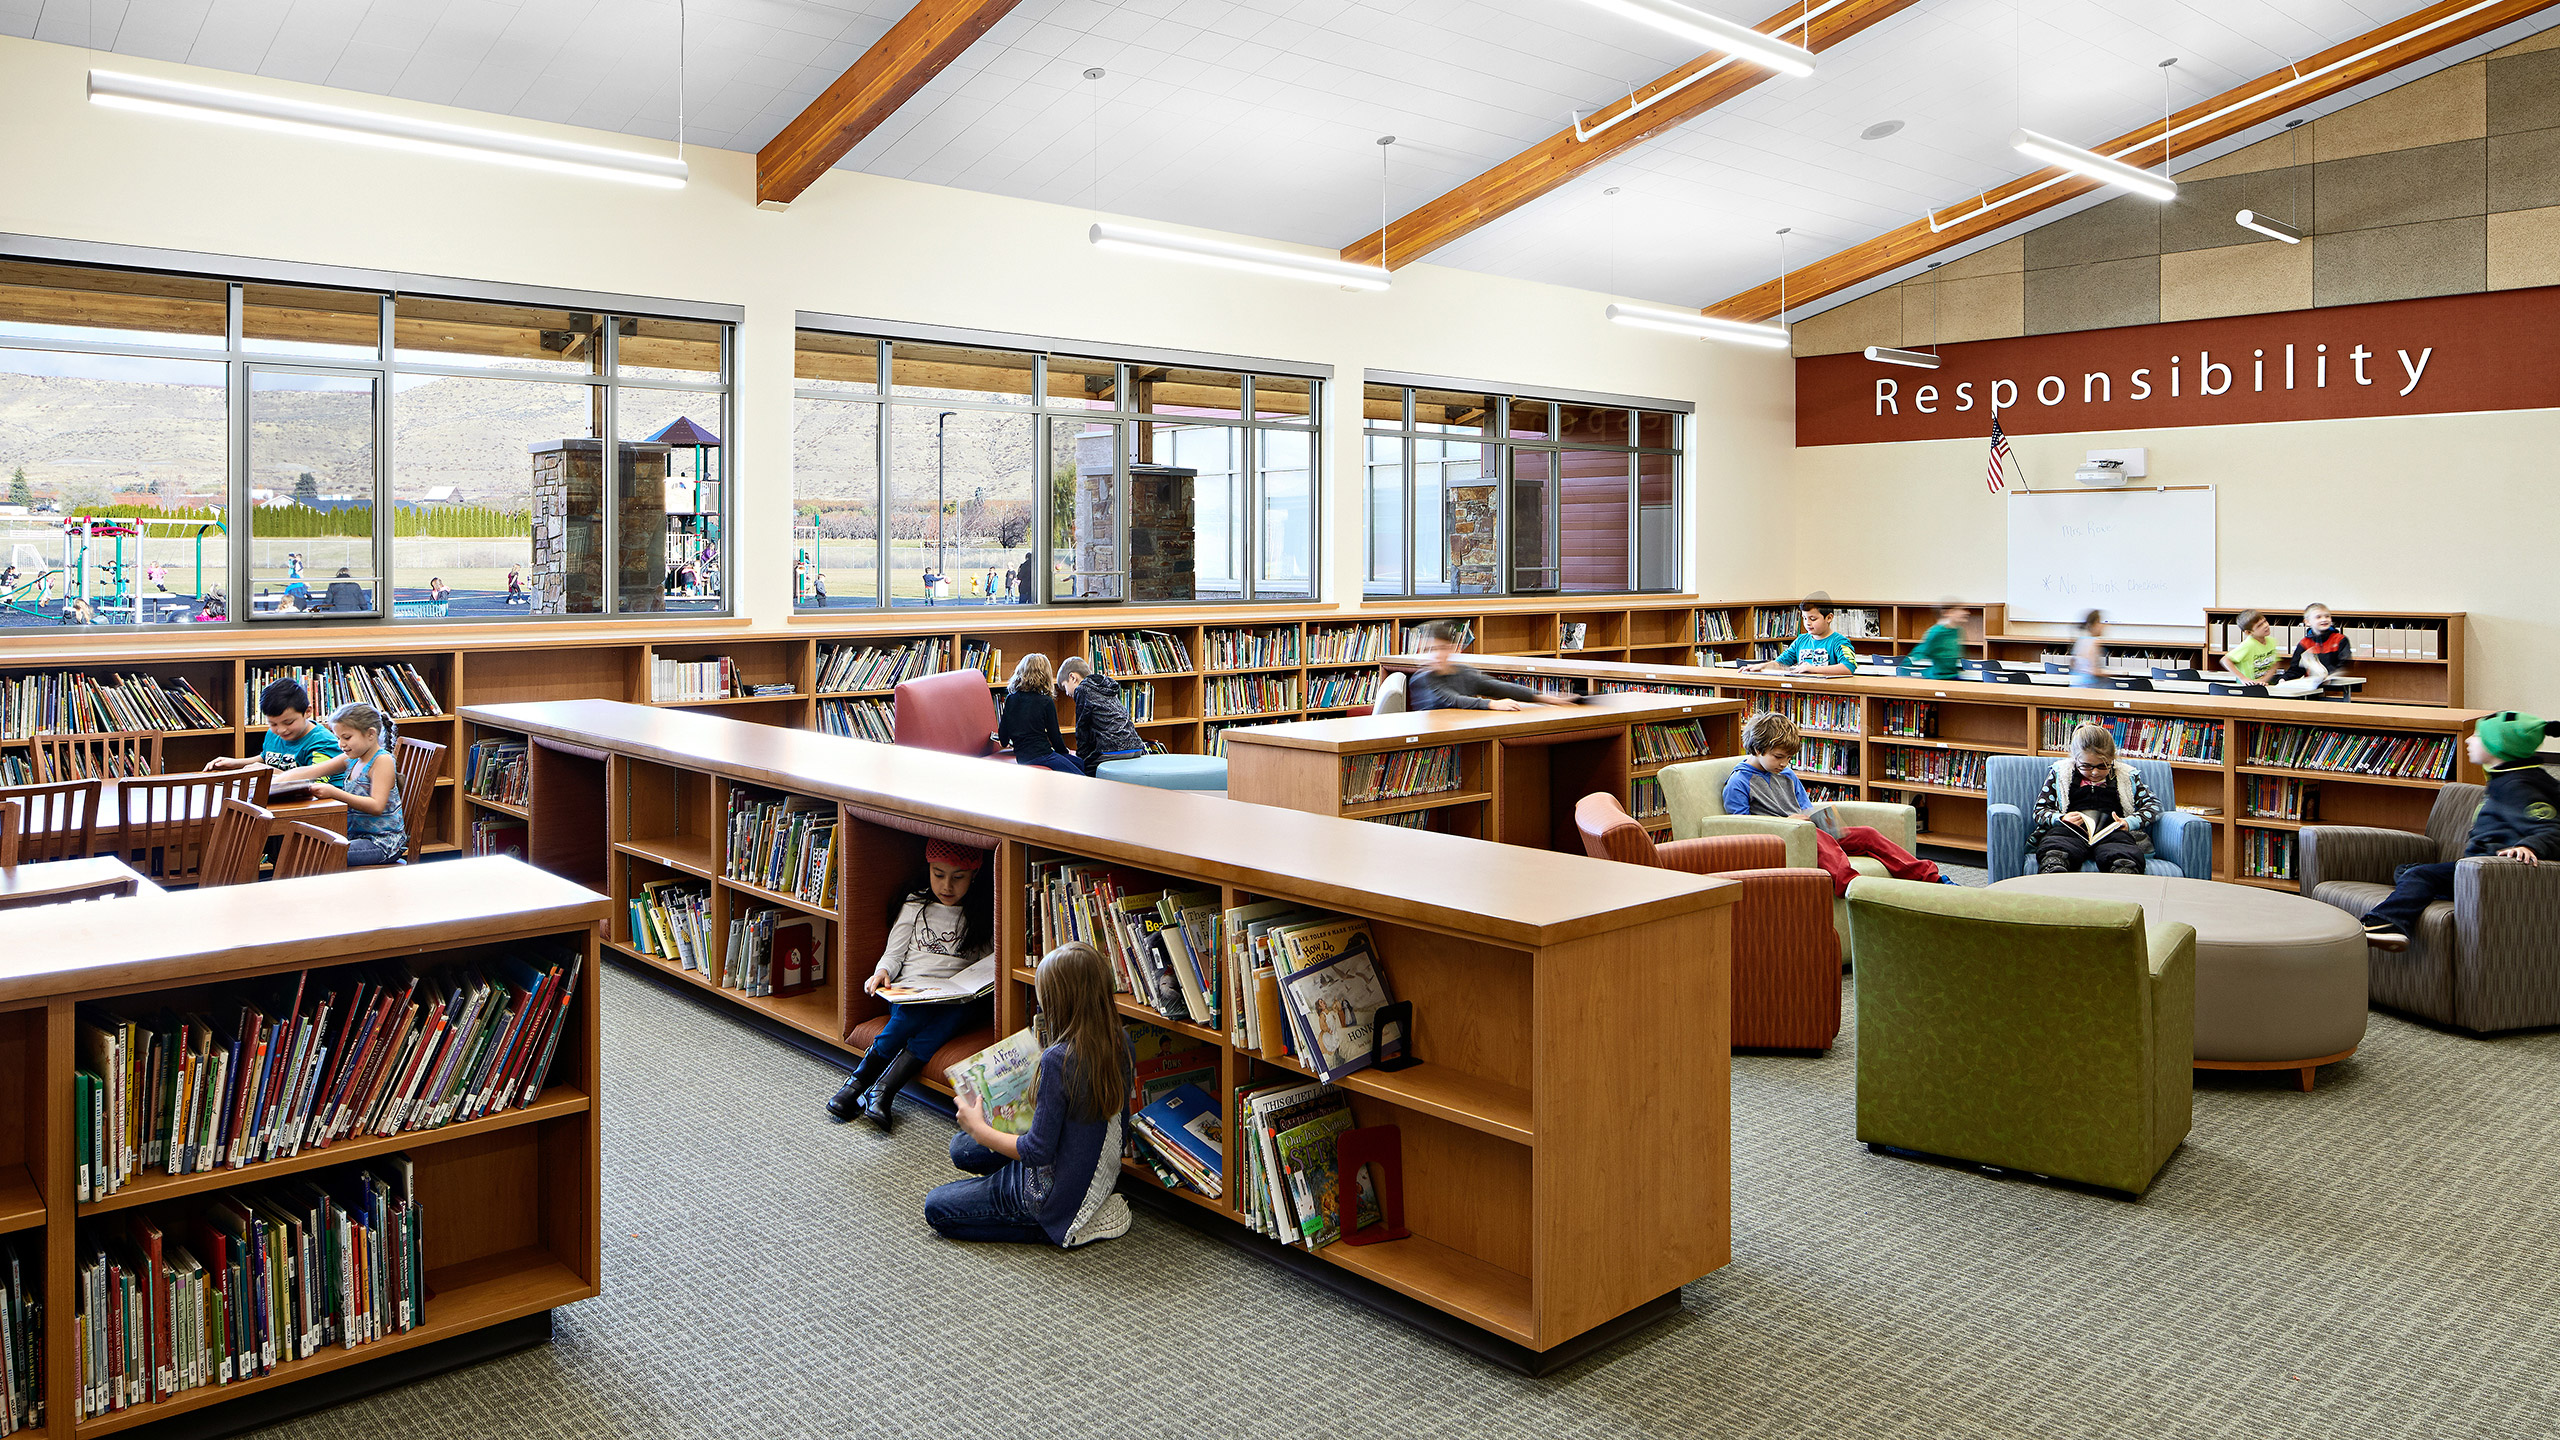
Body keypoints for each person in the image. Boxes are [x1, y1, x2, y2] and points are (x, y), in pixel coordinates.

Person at [927, 941, 1135, 1247]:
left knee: (937, 1207)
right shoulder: (1121, 1040)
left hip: (1051, 1195)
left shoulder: (1059, 1060)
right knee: (962, 1148)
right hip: (1089, 1171)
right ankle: (1079, 1208)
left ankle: (1062, 1228)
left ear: (1059, 1004)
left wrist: (981, 1130)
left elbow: (1037, 1152)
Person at [827, 839, 997, 1127]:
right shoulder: (916, 903)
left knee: (948, 1020)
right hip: (914, 990)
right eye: (938, 874)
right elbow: (895, 951)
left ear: (974, 876)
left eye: (959, 878)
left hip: (955, 998)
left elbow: (988, 963)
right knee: (907, 1020)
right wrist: (882, 971)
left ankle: (884, 1091)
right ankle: (856, 1085)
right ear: (928, 868)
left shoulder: (980, 913)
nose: (947, 886)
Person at [2360, 712, 2560, 949]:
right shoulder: (2509, 778)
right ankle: (2422, 894)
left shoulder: (2517, 786)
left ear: (2499, 746)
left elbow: (2553, 827)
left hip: (2493, 874)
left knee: (2420, 875)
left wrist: (2530, 845)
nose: (2468, 740)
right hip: (2475, 870)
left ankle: (2385, 923)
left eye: (2477, 735)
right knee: (2407, 871)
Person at [1724, 712, 1950, 890]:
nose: (1784, 763)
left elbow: (1805, 807)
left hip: (1807, 830)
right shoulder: (1739, 781)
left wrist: (1819, 819)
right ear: (1756, 748)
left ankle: (1931, 878)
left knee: (1867, 835)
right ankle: (1854, 886)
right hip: (1782, 838)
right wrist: (1786, 821)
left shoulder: (1787, 774)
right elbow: (1741, 829)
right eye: (1778, 757)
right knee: (1821, 840)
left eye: (1789, 758)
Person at [2031, 723, 2161, 875]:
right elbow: (2039, 810)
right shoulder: (2061, 774)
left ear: (2112, 759)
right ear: (2075, 759)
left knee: (2123, 847)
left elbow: (2154, 807)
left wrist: (2128, 822)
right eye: (2086, 766)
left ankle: (2124, 870)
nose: (2094, 773)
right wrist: (2061, 818)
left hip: (2111, 832)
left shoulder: (2126, 776)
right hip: (2071, 830)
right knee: (2056, 842)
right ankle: (2055, 866)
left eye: (2102, 766)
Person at [305, 702, 405, 866]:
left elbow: (376, 806)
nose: (341, 744)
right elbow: (313, 771)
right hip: (355, 837)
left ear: (371, 734)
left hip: (382, 843)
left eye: (347, 737)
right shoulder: (352, 760)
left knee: (321, 854)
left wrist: (334, 792)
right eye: (338, 738)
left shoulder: (382, 760)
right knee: (310, 847)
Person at [1407, 621, 1579, 711]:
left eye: (1442, 648)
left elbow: (1497, 687)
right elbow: (1452, 699)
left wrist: (1544, 698)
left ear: (1452, 649)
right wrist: (1492, 704)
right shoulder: (1423, 678)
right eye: (1432, 649)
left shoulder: (1463, 672)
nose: (1437, 654)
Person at [208, 678, 344, 781]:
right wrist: (235, 763)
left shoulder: (323, 743)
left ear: (308, 711)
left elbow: (315, 784)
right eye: (273, 724)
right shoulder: (273, 734)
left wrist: (271, 772)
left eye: (288, 722)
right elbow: (268, 757)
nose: (281, 730)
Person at [1059, 656, 1147, 775]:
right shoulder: (1104, 687)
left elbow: (1082, 729)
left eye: (1064, 686)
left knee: (1081, 773)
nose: (1066, 693)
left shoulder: (1082, 689)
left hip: (1113, 749)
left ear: (1072, 677)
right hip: (1136, 746)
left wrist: (1081, 758)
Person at [998, 653, 1084, 775]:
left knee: (1078, 764)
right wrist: (1065, 752)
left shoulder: (1011, 699)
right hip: (1043, 755)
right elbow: (1055, 736)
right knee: (1082, 771)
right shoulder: (1045, 701)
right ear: (1045, 675)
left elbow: (1003, 739)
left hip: (1023, 758)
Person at [1751, 599, 1862, 676]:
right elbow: (1780, 663)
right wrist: (1762, 666)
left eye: (1812, 619)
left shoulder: (1840, 642)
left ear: (1829, 618)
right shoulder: (1801, 640)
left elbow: (1848, 667)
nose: (1807, 623)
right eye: (1804, 618)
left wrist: (1814, 669)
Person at [2270, 602, 2353, 695]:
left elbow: (2345, 663)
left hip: (2335, 687)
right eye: (2318, 617)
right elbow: (2296, 669)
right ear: (2307, 622)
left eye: (2327, 616)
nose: (2324, 619)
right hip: (2311, 690)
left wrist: (2330, 675)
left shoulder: (2340, 639)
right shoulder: (2304, 643)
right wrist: (2284, 679)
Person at [1907, 597, 1970, 679]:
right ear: (1948, 612)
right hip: (1938, 677)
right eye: (1961, 609)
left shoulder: (1958, 630)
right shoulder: (1936, 632)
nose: (1966, 612)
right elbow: (1918, 653)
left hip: (1953, 675)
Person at [2225, 609, 2281, 685]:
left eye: (2265, 621)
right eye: (2259, 625)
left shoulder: (2272, 641)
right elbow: (2225, 660)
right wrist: (2243, 678)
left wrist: (2264, 680)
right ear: (2249, 632)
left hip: (2263, 684)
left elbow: (2275, 664)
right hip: (2248, 687)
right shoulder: (2248, 645)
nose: (2266, 626)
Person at [2071, 609, 2108, 687]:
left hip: (2075, 684)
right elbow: (2094, 671)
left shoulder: (2080, 640)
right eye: (2101, 623)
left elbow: (2074, 665)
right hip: (2089, 685)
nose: (2103, 626)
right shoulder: (2093, 643)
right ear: (2095, 624)